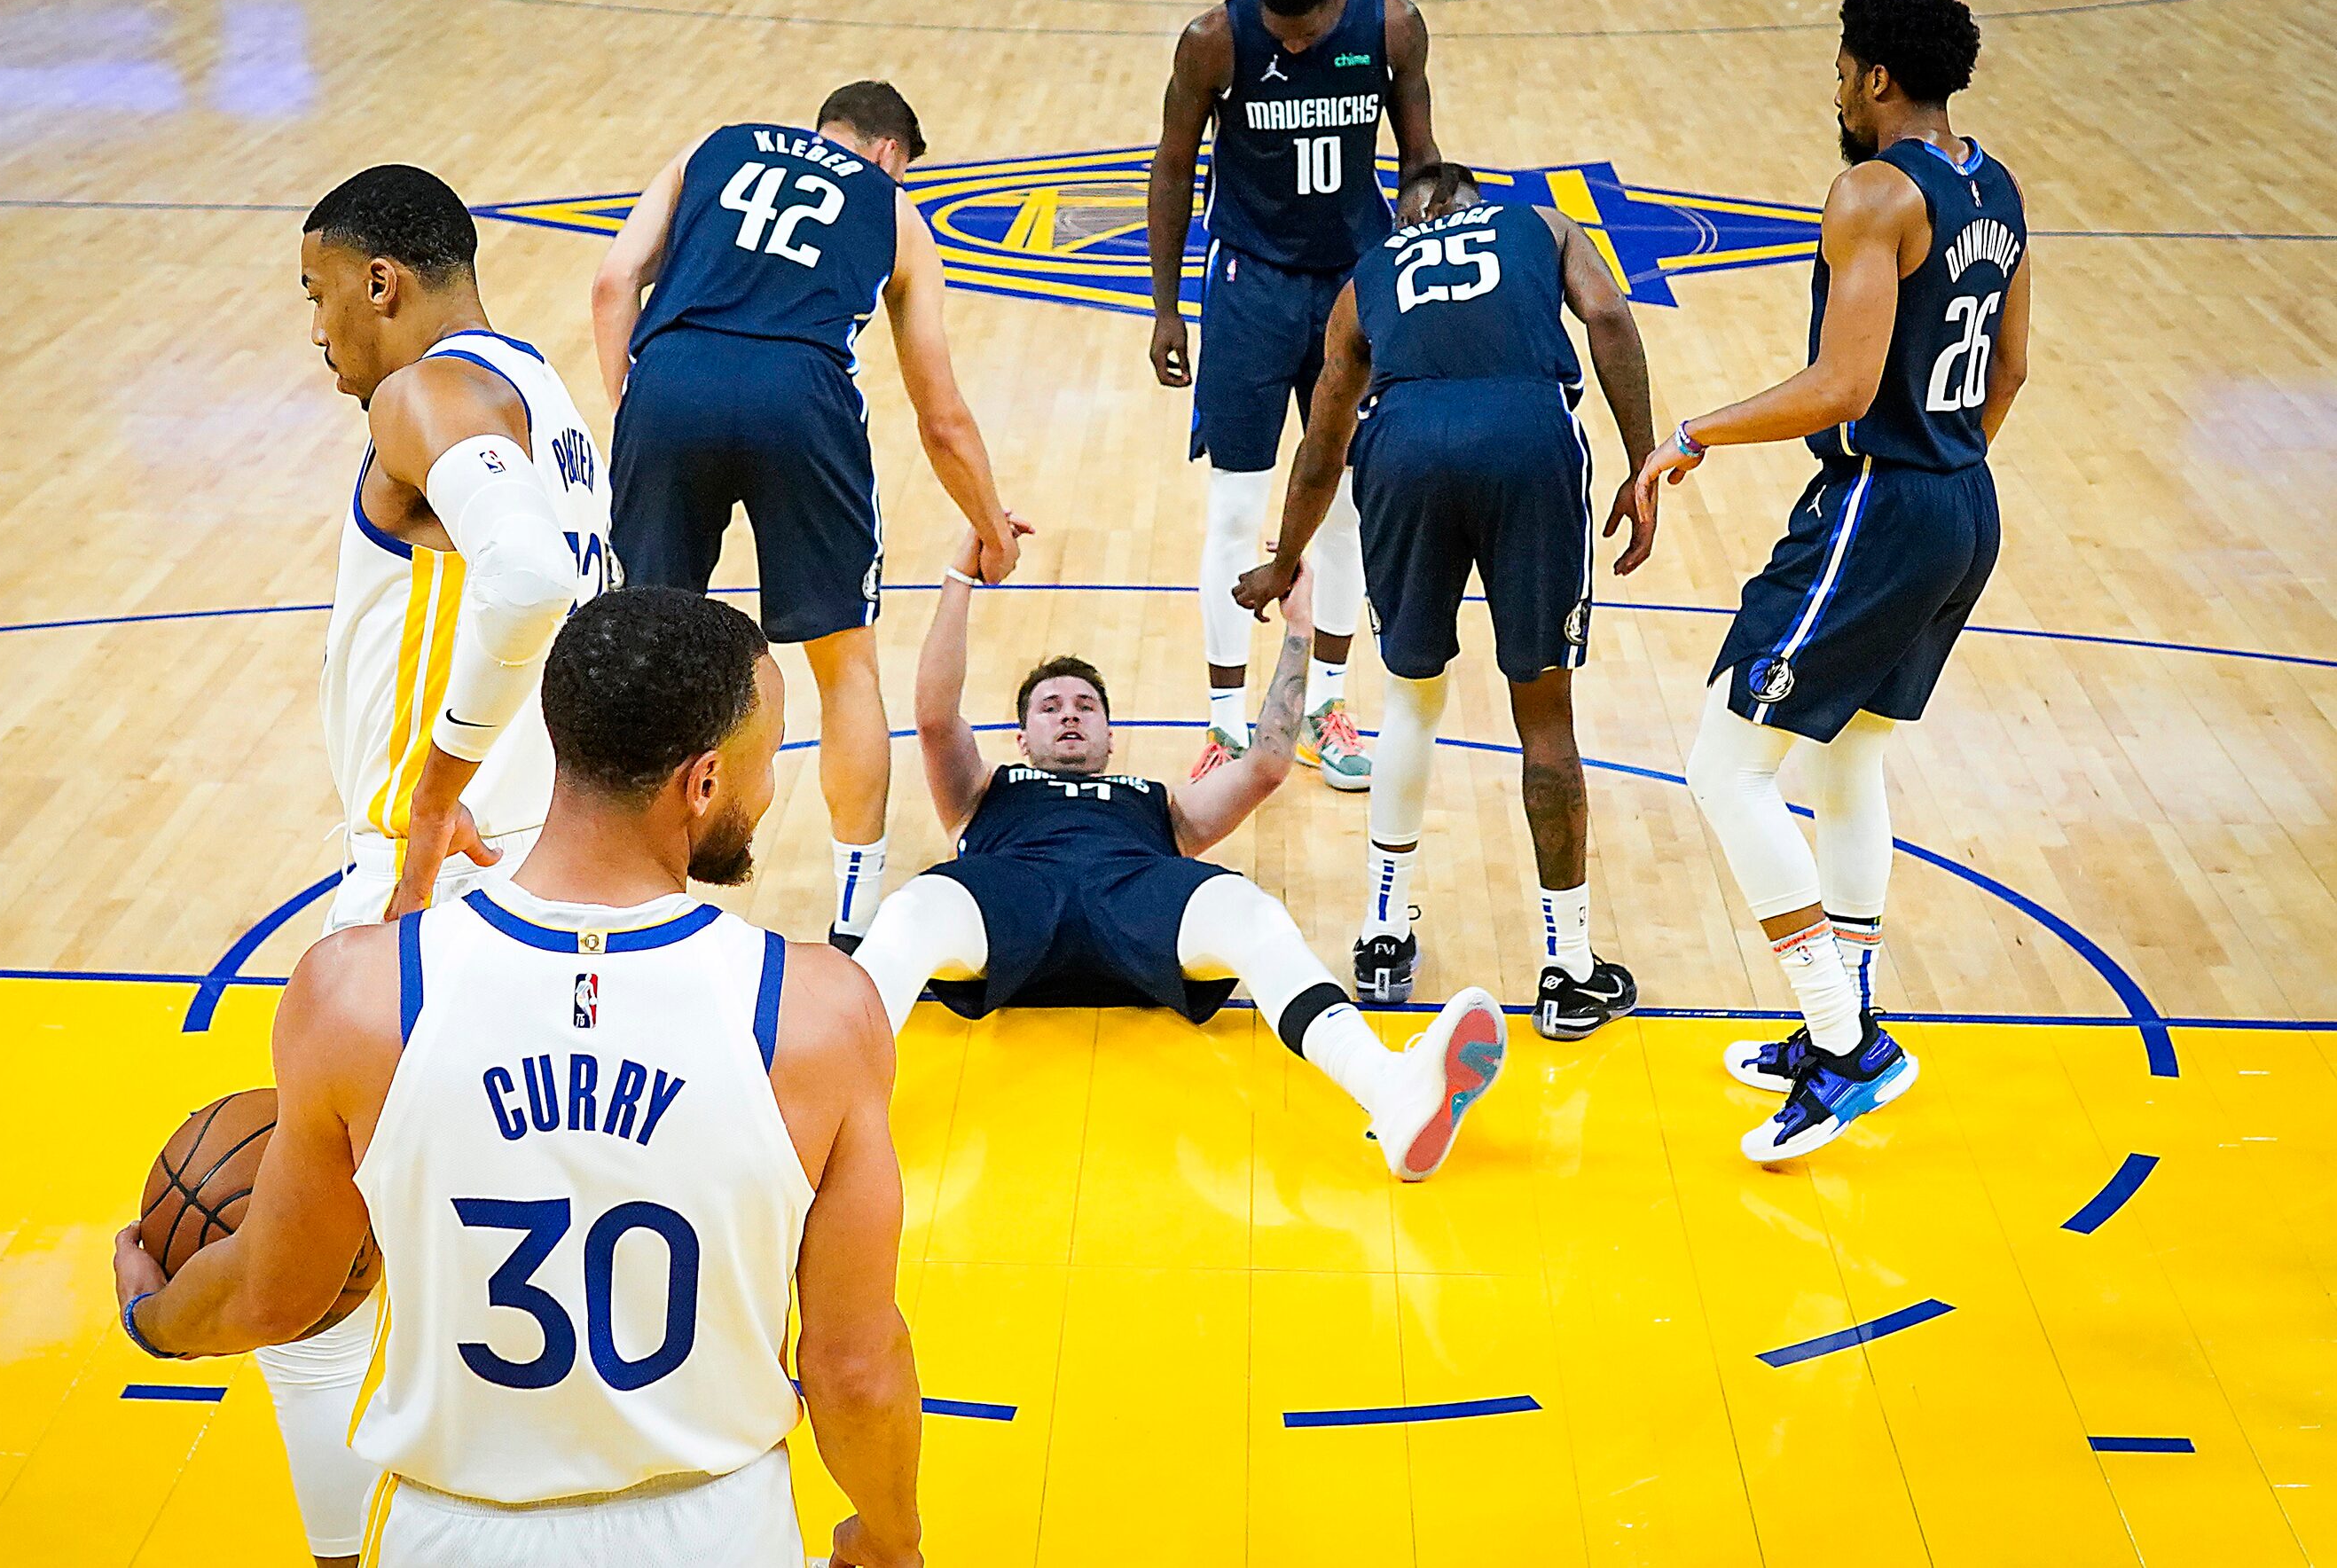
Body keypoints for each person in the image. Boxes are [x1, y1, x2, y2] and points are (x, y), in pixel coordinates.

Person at [114, 588, 924, 1568]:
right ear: (703, 781)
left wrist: (152, 1319)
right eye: (769, 756)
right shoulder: (817, 1014)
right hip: (717, 1529)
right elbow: (851, 1369)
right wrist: (889, 1538)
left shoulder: (361, 995)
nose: (769, 786)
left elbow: (273, 1300)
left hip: (458, 1534)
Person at [278, 162, 616, 1564]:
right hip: (550, 868)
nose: (315, 332)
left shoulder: (421, 396)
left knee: (298, 1260)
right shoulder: (545, 394)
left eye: (316, 295)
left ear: (382, 282)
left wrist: (433, 787)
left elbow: (531, 581)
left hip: (438, 879)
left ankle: (344, 1552)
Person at [1630, 0, 2028, 1163]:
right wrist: (1941, 481)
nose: (1838, 85)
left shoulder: (1870, 192)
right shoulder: (1995, 184)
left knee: (1726, 767)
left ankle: (1846, 1044)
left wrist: (1693, 432)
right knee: (1851, 755)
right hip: (1963, 496)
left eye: (1843, 63)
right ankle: (1844, 1022)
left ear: (1876, 76)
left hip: (1887, 502)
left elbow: (1845, 388)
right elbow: (2010, 370)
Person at [851, 525, 1506, 1182]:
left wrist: (1300, 628)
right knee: (913, 908)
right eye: (1049, 708)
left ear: (1111, 738)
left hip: (1140, 899)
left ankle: (1388, 1089)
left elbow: (1268, 764)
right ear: (1022, 738)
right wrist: (959, 578)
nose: (1069, 715)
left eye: (1086, 706)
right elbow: (935, 719)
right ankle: (816, 1102)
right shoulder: (981, 789)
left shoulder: (1159, 802)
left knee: (1250, 910)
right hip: (1008, 894)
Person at [592, 80, 1021, 951]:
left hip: (671, 380)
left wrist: (636, 408)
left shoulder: (710, 144)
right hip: (803, 397)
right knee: (844, 667)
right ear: (892, 153)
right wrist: (993, 527)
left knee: (643, 654)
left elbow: (611, 285)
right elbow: (939, 414)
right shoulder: (893, 209)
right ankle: (856, 920)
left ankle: (629, 893)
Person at [1236, 164, 1658, 1031]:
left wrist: (1285, 560)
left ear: (1407, 213)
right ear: (1474, 203)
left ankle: (1382, 936)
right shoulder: (1539, 224)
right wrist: (1643, 461)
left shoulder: (1369, 275)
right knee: (1543, 712)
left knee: (1409, 700)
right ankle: (1568, 968)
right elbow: (1610, 317)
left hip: (1404, 445)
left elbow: (1323, 440)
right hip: (1527, 436)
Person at [1145, 0, 1439, 789]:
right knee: (1235, 508)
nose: (1295, 46)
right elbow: (1172, 169)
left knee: (1348, 504)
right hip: (1249, 284)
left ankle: (1328, 705)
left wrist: (1423, 279)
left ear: (1335, 1)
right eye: (1281, 31)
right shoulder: (1214, 40)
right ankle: (1227, 724)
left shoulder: (1392, 26)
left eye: (1305, 32)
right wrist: (1165, 308)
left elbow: (1420, 157)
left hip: (1355, 274)